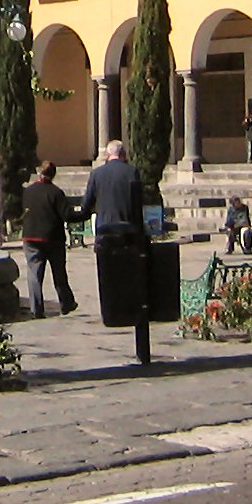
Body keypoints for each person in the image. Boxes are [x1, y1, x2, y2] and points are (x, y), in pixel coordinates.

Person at [77, 139, 151, 364]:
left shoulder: (97, 175)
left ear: (107, 154)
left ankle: (112, 313)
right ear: (124, 153)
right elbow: (138, 205)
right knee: (134, 279)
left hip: (106, 232)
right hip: (129, 232)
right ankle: (134, 320)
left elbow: (87, 203)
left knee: (109, 276)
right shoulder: (132, 172)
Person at [19, 161, 77, 318]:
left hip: (31, 236)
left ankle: (36, 309)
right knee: (59, 272)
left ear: (39, 172)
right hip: (53, 238)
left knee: (34, 273)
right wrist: (83, 212)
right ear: (54, 174)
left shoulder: (28, 191)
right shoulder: (56, 193)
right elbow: (67, 215)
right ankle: (66, 303)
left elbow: (21, 211)